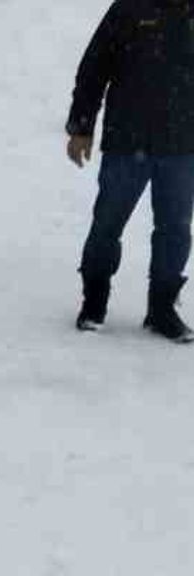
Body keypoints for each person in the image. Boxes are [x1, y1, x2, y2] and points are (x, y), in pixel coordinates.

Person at [67, 0, 194, 343]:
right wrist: (81, 126)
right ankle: (94, 301)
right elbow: (94, 67)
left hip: (182, 146)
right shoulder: (130, 8)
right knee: (108, 223)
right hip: (128, 140)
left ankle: (162, 309)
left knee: (175, 230)